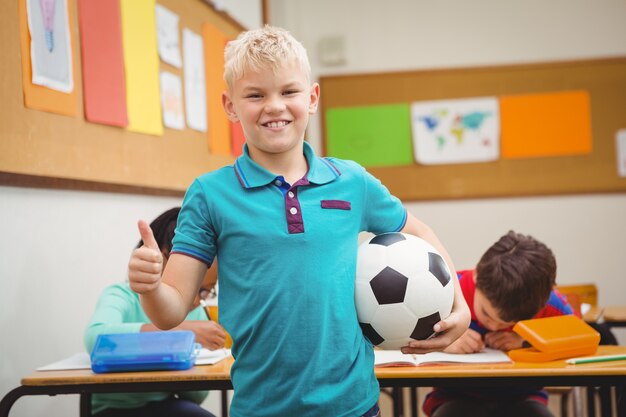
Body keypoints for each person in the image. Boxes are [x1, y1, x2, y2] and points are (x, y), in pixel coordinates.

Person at [128, 26, 470, 417]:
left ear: (312, 98)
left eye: (288, 92)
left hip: (354, 406)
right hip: (261, 409)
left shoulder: (352, 182)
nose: (274, 106)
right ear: (230, 105)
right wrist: (150, 286)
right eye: (255, 95)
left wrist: (460, 306)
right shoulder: (209, 194)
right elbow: (170, 310)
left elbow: (421, 233)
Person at [85, 207, 226, 417]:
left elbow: (197, 395)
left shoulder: (196, 312)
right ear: (157, 260)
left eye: (204, 290)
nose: (195, 300)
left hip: (167, 405)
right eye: (189, 284)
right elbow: (95, 338)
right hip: (114, 407)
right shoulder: (122, 295)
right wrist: (183, 333)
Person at [422, 230, 575, 417]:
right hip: (454, 397)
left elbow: (578, 336)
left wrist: (527, 341)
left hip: (524, 398)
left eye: (508, 323)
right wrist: (443, 341)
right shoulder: (448, 290)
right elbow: (401, 337)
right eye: (486, 313)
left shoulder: (546, 302)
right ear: (477, 277)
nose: (494, 327)